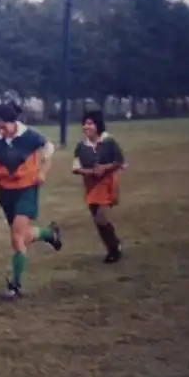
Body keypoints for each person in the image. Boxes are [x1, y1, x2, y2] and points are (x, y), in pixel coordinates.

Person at [0, 103, 63, 300]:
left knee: (16, 238)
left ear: (13, 122)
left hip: (27, 189)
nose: (1, 131)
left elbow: (48, 149)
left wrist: (42, 171)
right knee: (22, 236)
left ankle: (15, 286)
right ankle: (49, 234)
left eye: (4, 127)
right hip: (6, 193)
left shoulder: (30, 136)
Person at [72, 110, 126, 263]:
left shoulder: (109, 142)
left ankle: (113, 251)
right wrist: (90, 172)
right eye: (84, 124)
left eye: (90, 123)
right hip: (91, 185)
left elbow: (119, 162)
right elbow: (75, 168)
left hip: (108, 183)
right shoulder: (81, 146)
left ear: (98, 125)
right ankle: (114, 245)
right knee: (98, 220)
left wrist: (104, 169)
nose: (86, 127)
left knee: (101, 218)